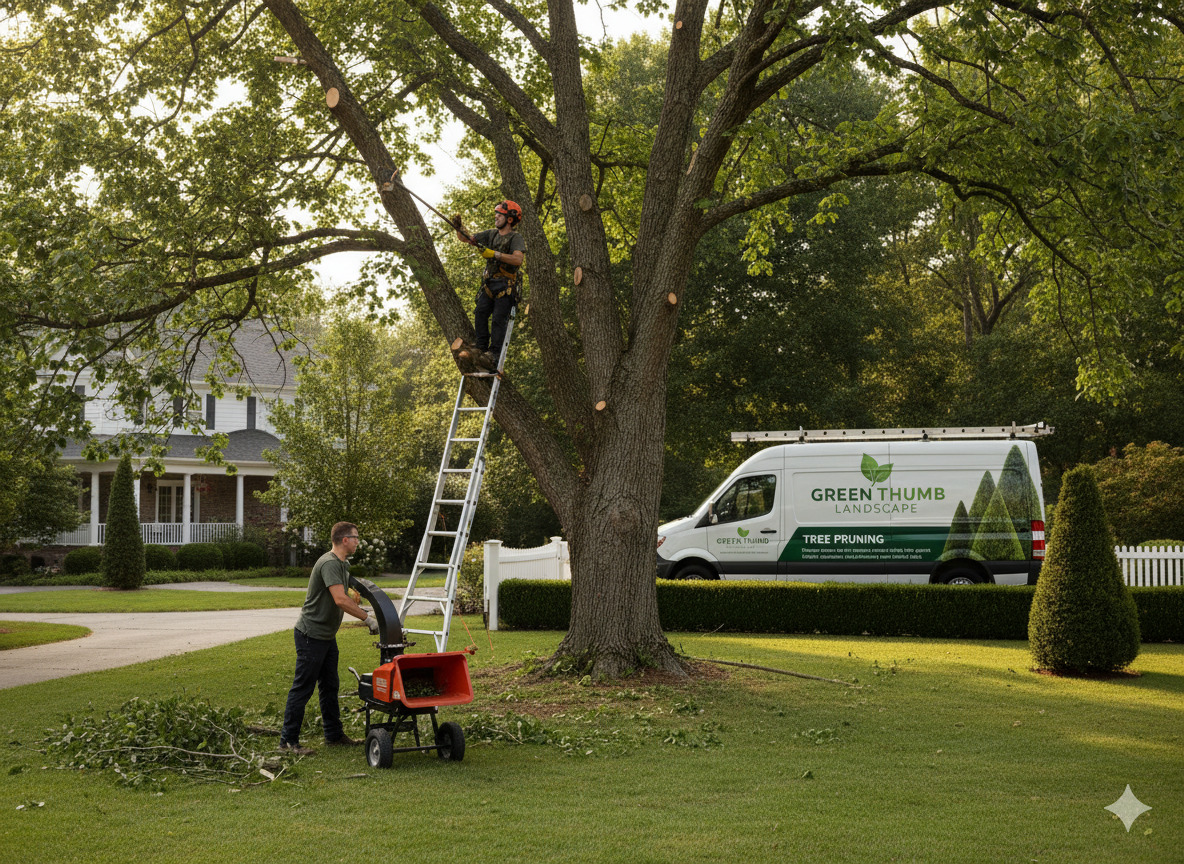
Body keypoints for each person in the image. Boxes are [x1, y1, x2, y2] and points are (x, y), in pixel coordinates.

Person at [279, 521, 379, 755]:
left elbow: (343, 595)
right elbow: (339, 600)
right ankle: (287, 743)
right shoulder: (329, 563)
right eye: (355, 537)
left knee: (330, 686)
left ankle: (333, 736)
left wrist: (354, 598)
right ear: (345, 540)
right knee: (303, 688)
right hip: (310, 635)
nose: (357, 541)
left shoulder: (342, 564)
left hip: (326, 636)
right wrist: (368, 619)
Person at [456, 200, 526, 368]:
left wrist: (495, 254)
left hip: (505, 286)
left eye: (500, 214)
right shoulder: (491, 234)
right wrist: (458, 228)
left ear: (509, 219)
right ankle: (480, 348)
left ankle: (493, 355)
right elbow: (467, 240)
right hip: (489, 284)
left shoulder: (515, 237)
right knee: (480, 312)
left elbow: (518, 259)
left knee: (497, 320)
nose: (496, 216)